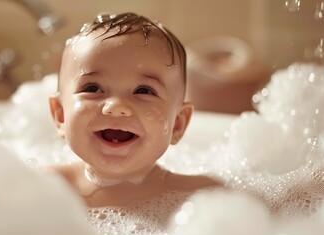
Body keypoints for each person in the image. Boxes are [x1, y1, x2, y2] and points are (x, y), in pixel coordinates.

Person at [47, 12, 221, 217]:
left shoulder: (201, 198)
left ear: (177, 125)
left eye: (144, 91)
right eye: (93, 88)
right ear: (61, 115)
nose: (116, 106)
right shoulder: (42, 188)